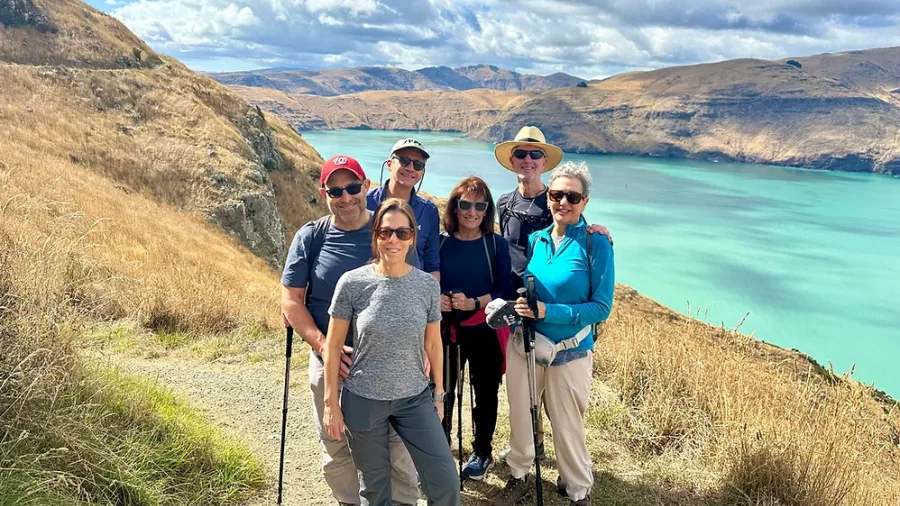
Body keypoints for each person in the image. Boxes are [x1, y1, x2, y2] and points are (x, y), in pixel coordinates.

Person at [281, 156, 419, 506]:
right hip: (331, 362)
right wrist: (324, 346)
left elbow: (412, 294)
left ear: (367, 185)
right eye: (335, 190)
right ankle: (348, 502)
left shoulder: (390, 232)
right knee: (336, 442)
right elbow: (292, 300)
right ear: (323, 192)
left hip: (389, 362)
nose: (346, 198)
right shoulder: (311, 237)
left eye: (353, 188)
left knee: (396, 445)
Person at [323, 198, 461, 506]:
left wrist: (438, 395)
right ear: (375, 234)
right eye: (386, 232)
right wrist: (330, 403)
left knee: (446, 483)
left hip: (413, 398)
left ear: (413, 236)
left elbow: (434, 344)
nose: (393, 240)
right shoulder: (353, 283)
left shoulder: (426, 285)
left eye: (402, 232)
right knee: (376, 491)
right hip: (364, 399)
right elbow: (333, 346)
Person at [492, 162, 615, 506]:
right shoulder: (538, 239)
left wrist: (550, 312)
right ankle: (519, 475)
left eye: (572, 196)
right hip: (526, 344)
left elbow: (601, 307)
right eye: (557, 194)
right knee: (519, 413)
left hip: (570, 351)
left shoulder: (596, 244)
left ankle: (578, 492)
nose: (563, 202)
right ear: (549, 198)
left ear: (585, 202)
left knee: (567, 425)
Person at [438, 176, 513, 481]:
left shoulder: (495, 245)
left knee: (485, 394)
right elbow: (426, 278)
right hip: (446, 330)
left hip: (485, 330)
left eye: (479, 205)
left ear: (487, 210)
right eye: (465, 204)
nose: (472, 211)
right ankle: (440, 449)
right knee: (442, 392)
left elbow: (504, 290)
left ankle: (482, 452)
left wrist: (474, 304)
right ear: (455, 207)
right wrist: (438, 299)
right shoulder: (441, 242)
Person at [367, 137, 440, 280]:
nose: (410, 168)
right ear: (389, 164)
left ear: (422, 172)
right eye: (404, 160)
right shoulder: (366, 202)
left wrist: (432, 297)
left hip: (413, 295)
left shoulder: (429, 211)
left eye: (418, 165)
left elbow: (432, 263)